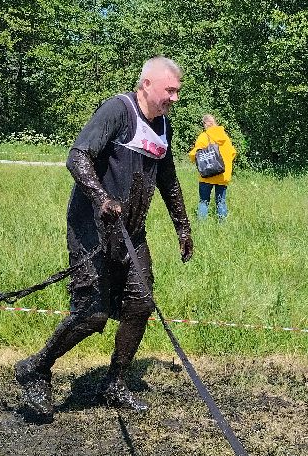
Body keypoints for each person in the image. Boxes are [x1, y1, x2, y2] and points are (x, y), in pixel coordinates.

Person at [14, 57, 193, 420]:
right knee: (92, 314)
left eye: (177, 91)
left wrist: (183, 227)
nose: (174, 98)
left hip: (132, 233)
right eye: (169, 90)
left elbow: (168, 179)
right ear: (146, 85)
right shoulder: (117, 110)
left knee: (141, 304)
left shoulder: (164, 128)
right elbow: (77, 156)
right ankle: (36, 367)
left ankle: (114, 383)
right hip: (91, 229)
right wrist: (101, 197)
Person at [188, 114, 237, 220]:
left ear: (205, 124)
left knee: (204, 201)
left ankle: (202, 227)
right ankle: (222, 226)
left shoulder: (204, 136)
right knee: (221, 201)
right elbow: (232, 153)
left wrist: (191, 157)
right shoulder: (225, 137)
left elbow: (195, 154)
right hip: (222, 175)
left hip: (207, 174)